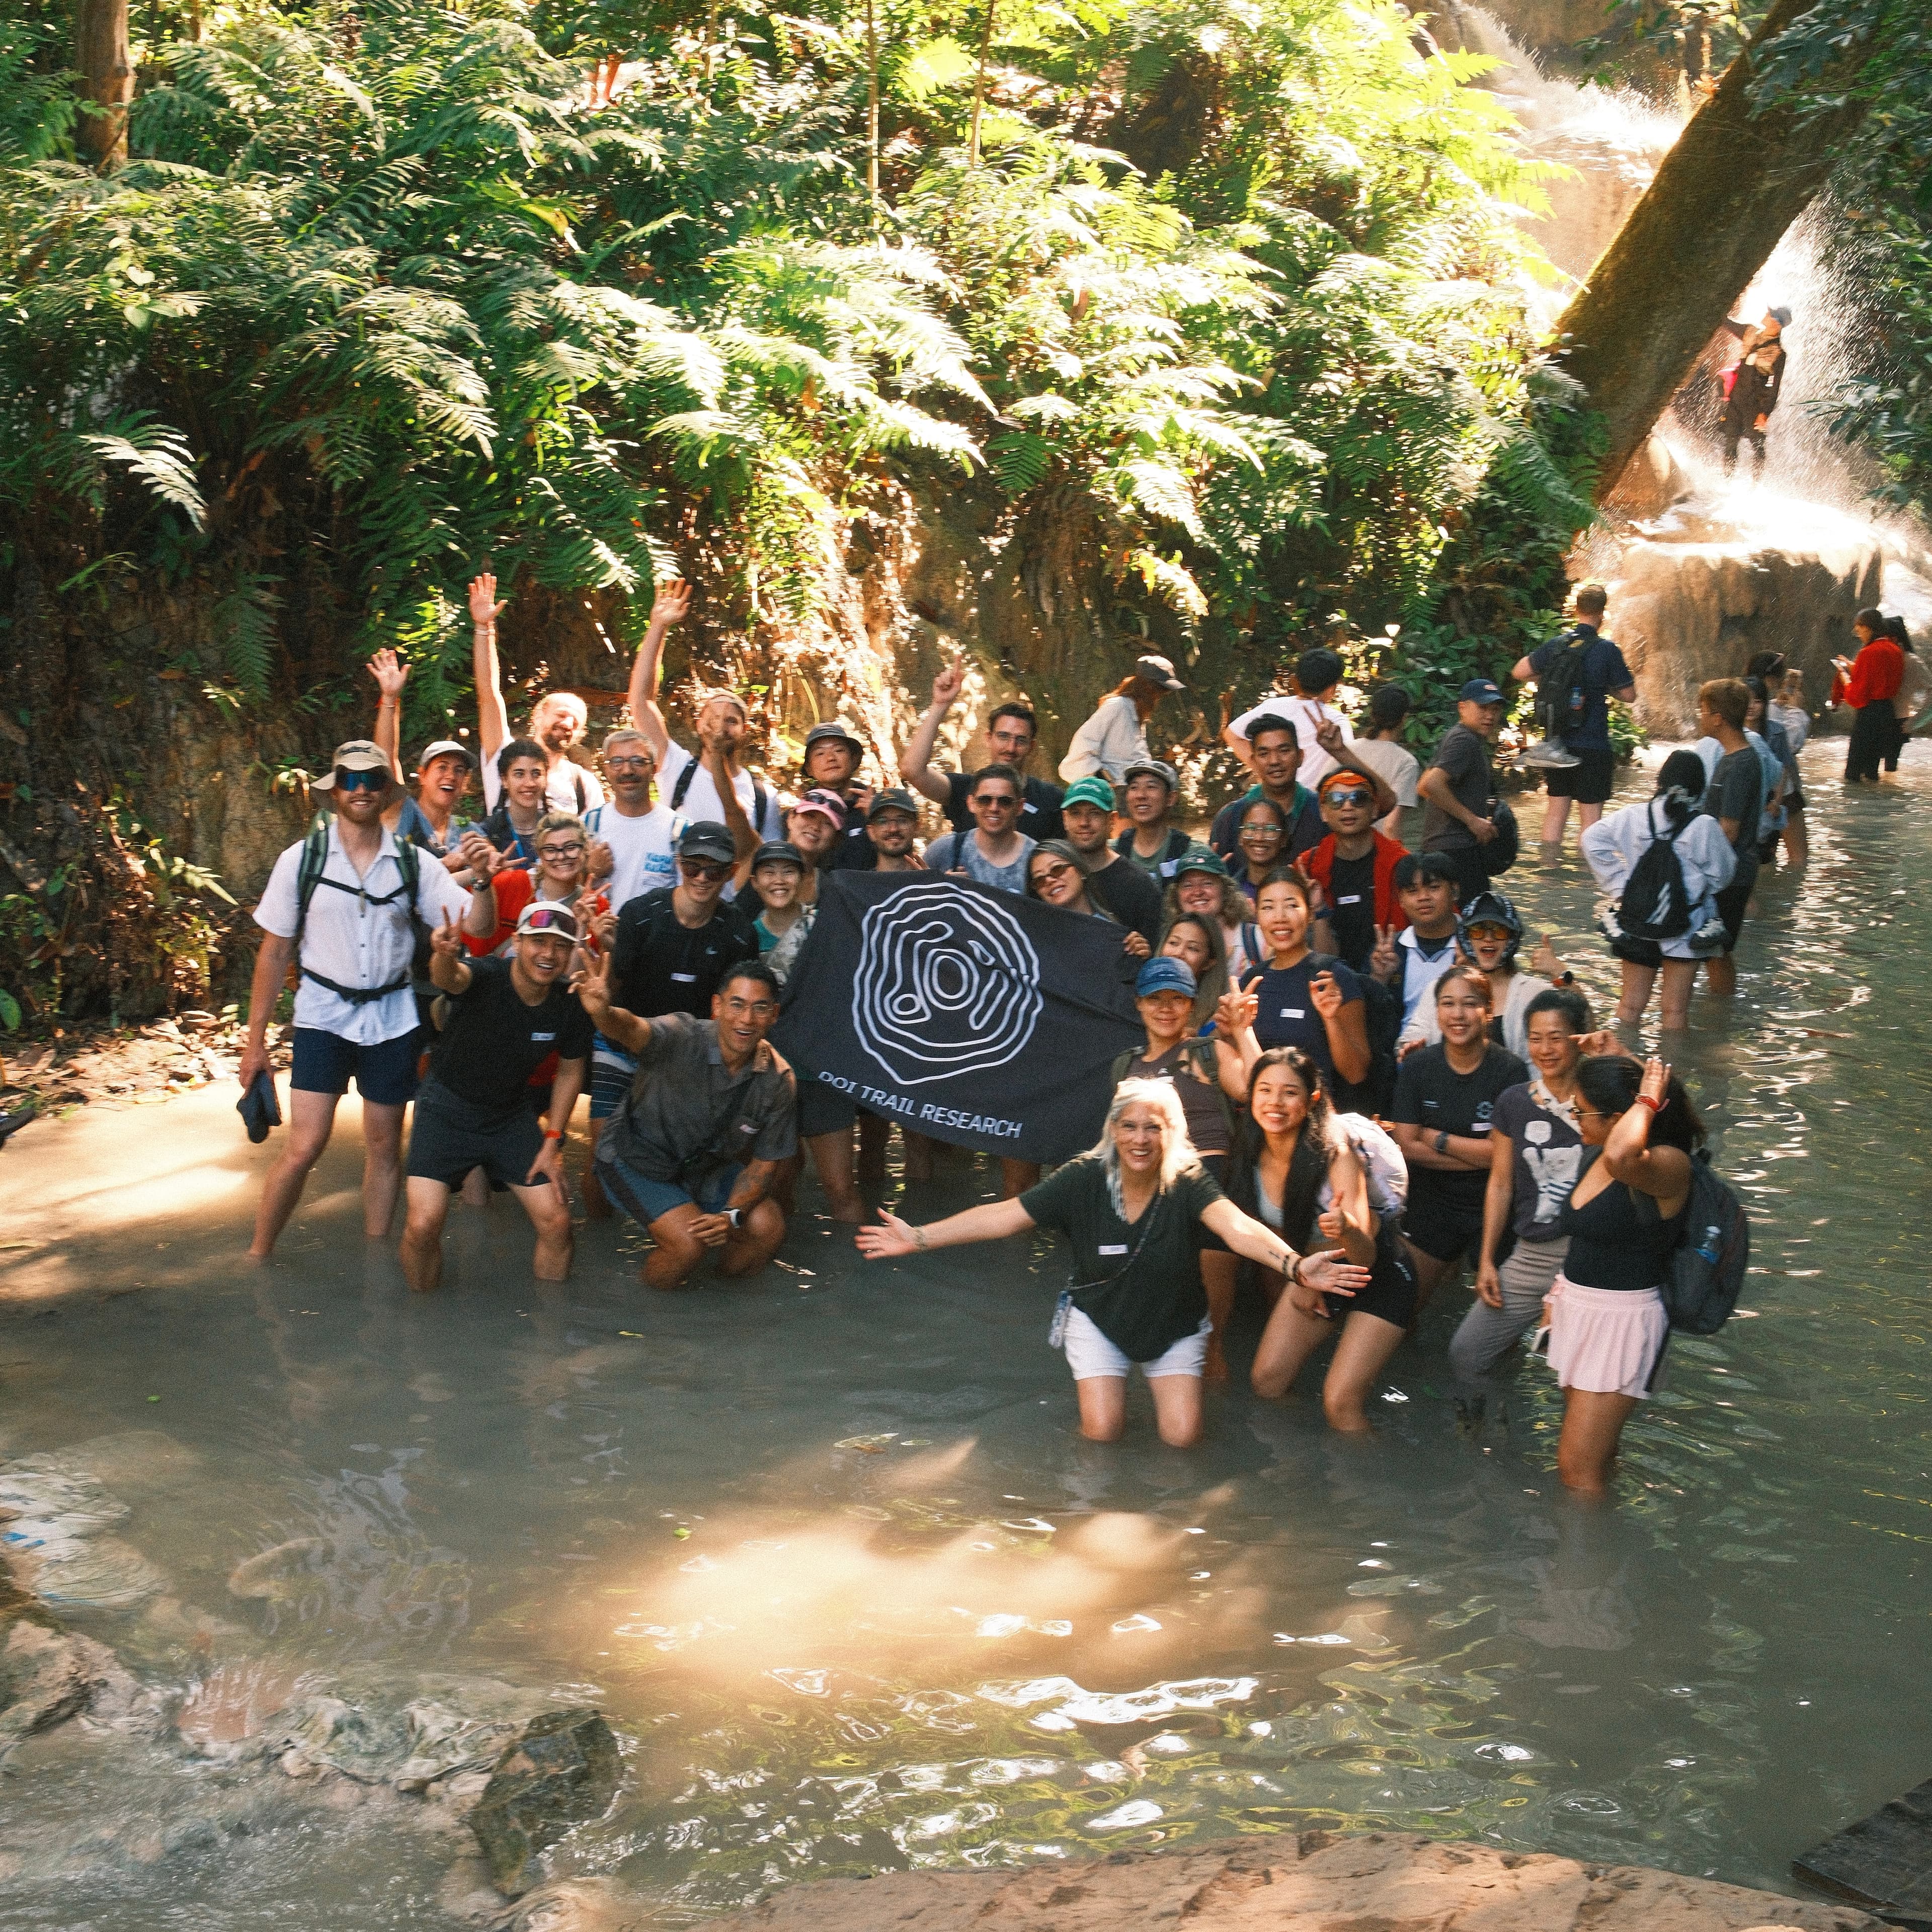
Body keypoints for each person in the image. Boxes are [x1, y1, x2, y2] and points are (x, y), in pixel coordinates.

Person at [854, 1079, 1370, 1447]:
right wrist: (919, 1236)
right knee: (1102, 1436)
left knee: (1183, 1441)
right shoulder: (1082, 1178)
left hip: (1175, 1325)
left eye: (1153, 1127)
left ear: (1172, 1132)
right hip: (1099, 1318)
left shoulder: (1188, 1182)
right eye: (1130, 1126)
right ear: (1113, 1130)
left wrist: (1297, 1267)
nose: (1141, 1139)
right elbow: (1006, 1217)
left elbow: (1238, 1227)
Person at [238, 739, 472, 1260]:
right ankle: (257, 1255)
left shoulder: (415, 865)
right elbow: (275, 952)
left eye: (371, 780)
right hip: (323, 1015)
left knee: (386, 1148)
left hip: (391, 1018)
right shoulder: (302, 860)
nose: (361, 789)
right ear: (335, 789)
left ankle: (376, 1261)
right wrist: (255, 1045)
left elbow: (472, 923)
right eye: (350, 779)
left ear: (386, 790)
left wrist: (492, 875)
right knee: (305, 1147)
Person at [577, 950, 796, 1289]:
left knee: (769, 1227)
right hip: (635, 1160)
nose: (746, 1019)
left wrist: (731, 1216)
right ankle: (647, 1310)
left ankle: (716, 1303)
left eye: (760, 1008)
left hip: (703, 1169)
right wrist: (603, 1013)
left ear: (774, 1015)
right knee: (688, 1245)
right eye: (736, 1005)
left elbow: (763, 1166)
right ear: (717, 1007)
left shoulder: (779, 1079)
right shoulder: (681, 1035)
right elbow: (632, 1028)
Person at [399, 902, 589, 1292]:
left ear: (571, 953)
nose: (549, 954)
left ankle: (549, 1333)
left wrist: (554, 1140)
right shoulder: (487, 974)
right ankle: (419, 1325)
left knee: (557, 1222)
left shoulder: (570, 1002)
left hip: (509, 1117)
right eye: (539, 942)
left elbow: (571, 1068)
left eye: (560, 946)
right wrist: (443, 956)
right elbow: (451, 979)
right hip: (444, 1110)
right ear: (518, 941)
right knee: (422, 1226)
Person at [1238, 1047, 1419, 1432]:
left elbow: (1366, 1256)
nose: (1275, 1102)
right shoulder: (1249, 1152)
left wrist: (1348, 1227)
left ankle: (1371, 1483)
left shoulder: (1335, 1153)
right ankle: (1299, 1469)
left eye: (1290, 1092)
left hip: (1379, 1275)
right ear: (1250, 1095)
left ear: (1312, 1099)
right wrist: (1303, 1279)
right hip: (1315, 1273)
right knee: (1267, 1383)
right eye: (1265, 1090)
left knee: (1340, 1404)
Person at [585, 821, 761, 1214]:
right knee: (602, 1158)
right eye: (692, 866)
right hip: (622, 1042)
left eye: (714, 870)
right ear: (678, 863)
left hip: (683, 1058)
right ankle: (598, 1237)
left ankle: (674, 1221)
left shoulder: (738, 933)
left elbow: (734, 1012)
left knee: (676, 1154)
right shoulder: (640, 915)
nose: (701, 878)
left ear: (732, 872)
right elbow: (612, 986)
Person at [1547, 1055, 1703, 1493]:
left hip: (1622, 1321)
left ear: (1621, 1117)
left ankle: (1584, 1560)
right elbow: (1584, 1236)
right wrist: (1557, 1295)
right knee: (1595, 1460)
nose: (1573, 1116)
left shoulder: (1668, 1165)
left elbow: (1622, 1154)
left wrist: (1649, 1101)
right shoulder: (1593, 1153)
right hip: (1579, 1310)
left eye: (1580, 1110)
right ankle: (1601, 1552)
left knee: (1577, 1470)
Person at [1450, 986, 1595, 1418]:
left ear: (1580, 1038)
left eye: (1557, 1037)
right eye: (1536, 1037)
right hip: (1531, 1254)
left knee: (1578, 1379)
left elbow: (1661, 1111)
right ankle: (1497, 1427)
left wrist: (1619, 1054)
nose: (1545, 1049)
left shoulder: (1604, 1101)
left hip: (1589, 1256)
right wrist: (1489, 1261)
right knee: (1467, 1353)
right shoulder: (1515, 1102)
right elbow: (1500, 1184)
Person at [1111, 958, 1255, 1379]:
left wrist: (1243, 1030)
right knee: (1150, 1335)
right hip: (1148, 1203)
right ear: (1139, 1004)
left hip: (1211, 1193)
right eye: (1156, 999)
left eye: (1177, 999)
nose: (1166, 1008)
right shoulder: (1125, 1067)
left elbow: (1255, 1088)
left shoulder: (1209, 1053)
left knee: (1209, 1341)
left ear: (1192, 1005)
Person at [1389, 965, 1527, 1311]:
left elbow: (1503, 1159)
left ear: (1489, 1010)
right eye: (1448, 1004)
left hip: (1494, 1201)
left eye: (1470, 1004)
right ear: (1436, 1012)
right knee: (1403, 1310)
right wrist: (1480, 1153)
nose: (1459, 1015)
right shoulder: (1419, 1067)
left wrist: (1437, 1140)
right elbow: (1406, 1146)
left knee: (1497, 1316)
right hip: (1432, 1200)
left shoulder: (1510, 1070)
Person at [1580, 750, 1736, 1030]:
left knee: (1629, 1007)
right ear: (1700, 789)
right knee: (1674, 1013)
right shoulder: (1704, 826)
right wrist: (1695, 892)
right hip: (1686, 926)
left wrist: (1621, 889)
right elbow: (1723, 874)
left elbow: (1591, 840)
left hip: (1638, 921)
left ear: (1659, 781)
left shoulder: (1633, 816)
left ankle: (1619, 1067)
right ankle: (1669, 1070)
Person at [624, 577, 785, 841]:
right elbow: (641, 701)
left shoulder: (763, 795)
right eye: (714, 718)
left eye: (731, 721)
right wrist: (659, 626)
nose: (721, 726)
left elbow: (767, 861)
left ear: (745, 731)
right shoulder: (676, 767)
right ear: (698, 725)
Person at [468, 573, 605, 817]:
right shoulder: (504, 756)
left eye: (576, 723)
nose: (567, 724)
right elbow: (489, 695)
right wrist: (483, 628)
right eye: (562, 714)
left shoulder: (585, 785)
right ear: (537, 716)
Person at [1511, 584, 1637, 844]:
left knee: (1556, 814)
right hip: (1593, 745)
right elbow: (1629, 695)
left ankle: (1549, 871)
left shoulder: (1557, 646)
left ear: (1576, 610)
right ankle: (1585, 879)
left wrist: (1547, 676)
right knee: (1591, 825)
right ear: (1602, 613)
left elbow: (1520, 671)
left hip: (1558, 747)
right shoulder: (1607, 650)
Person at [1240, 869, 1370, 1096]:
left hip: (1319, 1114)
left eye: (1291, 905)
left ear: (1310, 913)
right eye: (1268, 907)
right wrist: (1230, 1030)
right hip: (1263, 1115)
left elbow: (1356, 1073)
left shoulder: (1332, 977)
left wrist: (1331, 1020)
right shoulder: (1252, 981)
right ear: (1256, 915)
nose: (1280, 917)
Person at [900, 663, 1064, 842]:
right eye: (1003, 737)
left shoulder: (1051, 799)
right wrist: (940, 704)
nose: (1011, 748)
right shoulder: (964, 789)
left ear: (1031, 747)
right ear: (988, 738)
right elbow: (912, 771)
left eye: (1021, 740)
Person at [1397, 890, 1567, 1060]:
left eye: (1499, 932)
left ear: (1512, 938)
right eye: (1478, 931)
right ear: (1466, 939)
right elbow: (1414, 1032)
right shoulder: (1439, 988)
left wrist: (1559, 972)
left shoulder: (1534, 992)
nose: (1488, 939)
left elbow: (1581, 1030)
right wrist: (1411, 1046)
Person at [1224, 649, 1396, 807]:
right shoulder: (1336, 722)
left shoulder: (1272, 706)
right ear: (1332, 688)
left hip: (1272, 801)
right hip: (1315, 804)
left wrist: (1265, 770)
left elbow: (1231, 735)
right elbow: (1347, 772)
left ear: (1297, 681)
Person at [366, 649, 478, 866]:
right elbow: (386, 761)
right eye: (442, 767)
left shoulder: (469, 831)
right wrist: (390, 698)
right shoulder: (400, 810)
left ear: (466, 783)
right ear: (422, 775)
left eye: (459, 770)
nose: (451, 776)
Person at [1690, 678, 1763, 997]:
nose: (1700, 717)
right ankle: (1719, 1011)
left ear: (1718, 718)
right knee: (1714, 950)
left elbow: (1729, 830)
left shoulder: (1741, 765)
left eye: (1703, 711)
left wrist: (1696, 865)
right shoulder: (1731, 758)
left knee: (1717, 950)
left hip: (1730, 874)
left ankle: (1721, 1009)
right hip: (1728, 871)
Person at [1301, 767, 1409, 975]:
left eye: (1359, 798)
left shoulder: (1400, 863)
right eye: (1336, 800)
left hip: (1392, 976)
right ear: (1323, 812)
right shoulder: (1308, 867)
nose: (1348, 806)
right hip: (1328, 981)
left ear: (1375, 809)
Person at [1418, 678, 1506, 904]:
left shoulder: (1457, 736)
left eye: (1495, 709)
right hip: (1458, 851)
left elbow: (1423, 785)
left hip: (1441, 848)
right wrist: (1472, 821)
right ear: (1462, 707)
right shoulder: (1465, 741)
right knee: (1475, 923)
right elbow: (1431, 785)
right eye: (1483, 708)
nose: (1490, 716)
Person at [460, 811, 592, 956]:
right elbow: (439, 897)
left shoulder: (594, 905)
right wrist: (479, 873)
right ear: (539, 854)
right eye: (550, 850)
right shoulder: (510, 884)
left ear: (585, 850)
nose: (561, 856)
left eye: (571, 847)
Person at [1207, 714, 1332, 867]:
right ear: (1253, 761)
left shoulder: (1323, 813)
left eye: (1284, 751)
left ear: (1300, 757)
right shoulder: (1231, 817)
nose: (1274, 761)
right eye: (1264, 754)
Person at [1059, 774, 1163, 945]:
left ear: (1112, 820)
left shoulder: (1138, 884)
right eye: (1076, 814)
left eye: (1095, 813)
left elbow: (1155, 950)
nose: (1084, 823)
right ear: (1065, 819)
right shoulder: (1052, 878)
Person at [582, 728, 677, 914]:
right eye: (617, 762)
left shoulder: (678, 830)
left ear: (654, 770)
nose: (627, 770)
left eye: (638, 761)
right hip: (598, 936)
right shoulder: (587, 826)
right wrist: (589, 870)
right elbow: (560, 889)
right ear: (606, 769)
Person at [1059, 654, 1187, 784]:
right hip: (1111, 793)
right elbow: (1081, 746)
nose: (1159, 698)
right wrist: (1105, 782)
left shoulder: (1136, 713)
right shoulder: (1117, 706)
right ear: (1148, 687)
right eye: (1160, 692)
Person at [1025, 840, 1151, 968]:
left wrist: (1142, 957)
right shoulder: (1036, 943)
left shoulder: (1114, 932)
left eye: (1058, 870)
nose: (1049, 880)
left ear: (1081, 870)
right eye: (1040, 880)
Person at [1380, 852, 1463, 1029]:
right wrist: (1379, 977)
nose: (1423, 897)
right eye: (1412, 891)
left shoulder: (1476, 945)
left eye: (1433, 888)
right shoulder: (1391, 950)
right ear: (1401, 899)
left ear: (1455, 891)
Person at [923, 764, 1034, 891]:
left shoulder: (1037, 858)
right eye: (984, 800)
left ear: (1020, 806)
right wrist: (944, 889)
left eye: (1005, 801)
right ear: (971, 803)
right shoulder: (945, 850)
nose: (994, 808)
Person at [1750, 653, 1809, 865]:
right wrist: (1795, 709)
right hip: (1783, 794)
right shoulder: (1773, 711)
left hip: (1752, 794)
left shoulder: (1738, 704)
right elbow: (1792, 744)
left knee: (1763, 859)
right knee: (1799, 859)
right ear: (1774, 679)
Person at [1834, 609, 1904, 785]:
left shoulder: (1868, 653)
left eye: (1858, 630)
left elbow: (1859, 693)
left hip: (1869, 714)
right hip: (1888, 712)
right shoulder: (1895, 650)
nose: (1858, 635)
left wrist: (1845, 678)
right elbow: (1880, 675)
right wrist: (1853, 666)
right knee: (1872, 771)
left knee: (1853, 773)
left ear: (1868, 628)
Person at [1167, 847, 1253, 983]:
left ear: (1225, 889)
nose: (1198, 892)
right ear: (1176, 895)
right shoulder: (1169, 942)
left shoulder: (1254, 939)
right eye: (1188, 886)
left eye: (1207, 883)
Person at [1720, 307, 1787, 478]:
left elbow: (1775, 388)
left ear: (1776, 323)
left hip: (1755, 403)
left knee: (1757, 445)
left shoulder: (1778, 354)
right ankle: (1727, 480)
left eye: (1769, 315)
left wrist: (1764, 413)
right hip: (1737, 398)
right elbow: (1729, 324)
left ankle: (1755, 485)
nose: (1765, 315)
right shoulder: (1751, 332)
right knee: (1730, 441)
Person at [1349, 684, 1421, 838]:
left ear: (1373, 715)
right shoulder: (1407, 762)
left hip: (1342, 848)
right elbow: (1391, 825)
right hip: (1377, 850)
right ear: (1404, 719)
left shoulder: (1347, 751)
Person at [747, 841, 815, 983]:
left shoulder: (821, 924)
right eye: (769, 873)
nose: (779, 881)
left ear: (802, 879)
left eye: (788, 871)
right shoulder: (747, 936)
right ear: (754, 882)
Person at [1113, 759, 1191, 880]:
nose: (1141, 795)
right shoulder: (1112, 852)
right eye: (1134, 787)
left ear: (1171, 798)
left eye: (1151, 787)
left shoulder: (1188, 851)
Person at [478, 738, 549, 868]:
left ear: (546, 779)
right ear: (504, 780)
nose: (529, 783)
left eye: (536, 774)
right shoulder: (488, 833)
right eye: (519, 774)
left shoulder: (556, 828)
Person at [1227, 793, 1294, 903]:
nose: (1259, 838)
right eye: (1250, 828)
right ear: (1240, 837)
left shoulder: (1297, 889)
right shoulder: (1228, 894)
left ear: (1284, 839)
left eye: (1270, 829)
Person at [1886, 618, 1930, 772]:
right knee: (1885, 771)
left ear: (1894, 638)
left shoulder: (1912, 661)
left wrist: (1916, 721)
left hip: (1899, 720)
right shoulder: (1884, 657)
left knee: (1888, 770)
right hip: (1880, 716)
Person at [863, 786, 925, 870]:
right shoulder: (860, 882)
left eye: (902, 820)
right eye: (883, 821)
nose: (893, 829)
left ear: (917, 827)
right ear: (871, 832)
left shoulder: (934, 882)